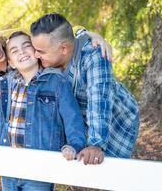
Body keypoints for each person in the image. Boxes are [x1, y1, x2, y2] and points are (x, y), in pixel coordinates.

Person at [0, 21, 112, 189]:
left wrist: (90, 36)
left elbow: (56, 33)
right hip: (11, 161)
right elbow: (1, 119)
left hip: (40, 161)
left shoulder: (54, 79)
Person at [0, 31, 86, 191]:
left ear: (37, 52)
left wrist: (74, 145)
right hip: (9, 168)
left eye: (26, 46)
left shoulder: (57, 81)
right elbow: (4, 125)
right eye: (14, 51)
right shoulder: (8, 85)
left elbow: (72, 118)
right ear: (11, 63)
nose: (21, 51)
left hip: (39, 167)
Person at [30, 13, 140, 165]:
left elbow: (99, 100)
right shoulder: (51, 53)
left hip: (116, 118)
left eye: (41, 52)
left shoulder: (94, 54)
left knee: (112, 169)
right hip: (82, 114)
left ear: (63, 48)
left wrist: (96, 144)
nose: (35, 55)